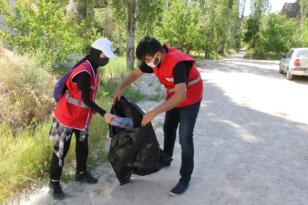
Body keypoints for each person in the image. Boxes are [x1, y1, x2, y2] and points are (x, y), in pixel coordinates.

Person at [113, 36, 203, 196]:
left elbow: (181, 96)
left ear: (158, 54)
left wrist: (153, 113)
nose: (146, 63)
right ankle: (166, 158)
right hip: (173, 96)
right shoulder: (153, 60)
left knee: (185, 137)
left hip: (190, 98)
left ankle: (185, 178)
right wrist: (120, 86)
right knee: (169, 128)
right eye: (145, 60)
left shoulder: (178, 63)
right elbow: (135, 74)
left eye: (147, 59)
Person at [48, 38, 117, 200]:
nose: (107, 59)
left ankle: (81, 173)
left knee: (82, 146)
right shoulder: (85, 72)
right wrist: (104, 113)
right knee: (60, 151)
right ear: (98, 54)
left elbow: (86, 99)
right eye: (106, 56)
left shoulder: (93, 68)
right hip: (66, 117)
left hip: (80, 118)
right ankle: (54, 182)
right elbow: (86, 99)